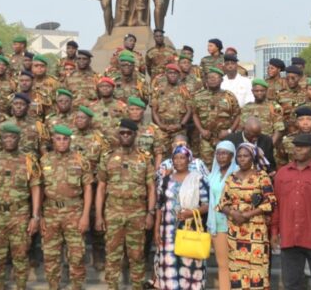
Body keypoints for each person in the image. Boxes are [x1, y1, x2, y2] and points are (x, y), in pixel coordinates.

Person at [0, 123, 42, 290]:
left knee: (21, 255)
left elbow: (35, 187)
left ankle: (21, 286)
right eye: (6, 137)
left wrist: (35, 216)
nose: (9, 140)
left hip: (19, 214)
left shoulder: (28, 160)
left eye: (12, 137)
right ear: (1, 139)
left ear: (18, 139)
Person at [95, 119, 156, 290]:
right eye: (122, 133)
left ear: (135, 135)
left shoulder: (144, 158)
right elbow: (100, 188)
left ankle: (137, 286)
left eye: (129, 133)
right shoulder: (108, 157)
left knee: (136, 255)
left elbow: (151, 188)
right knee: (113, 255)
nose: (125, 136)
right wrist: (99, 216)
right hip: (113, 212)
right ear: (118, 134)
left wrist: (150, 213)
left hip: (137, 213)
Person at [270, 133, 311, 290]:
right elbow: (276, 205)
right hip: (290, 236)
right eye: (296, 146)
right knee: (291, 283)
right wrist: (275, 232)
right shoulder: (282, 173)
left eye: (302, 147)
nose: (297, 150)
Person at [40, 125, 93, 290]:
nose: (62, 142)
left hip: (74, 213)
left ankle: (76, 286)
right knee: (50, 255)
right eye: (58, 138)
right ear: (53, 140)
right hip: (50, 212)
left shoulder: (80, 160)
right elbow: (39, 189)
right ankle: (53, 286)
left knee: (77, 255)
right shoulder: (44, 160)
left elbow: (88, 188)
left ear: (70, 140)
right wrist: (39, 215)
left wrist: (85, 216)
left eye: (65, 139)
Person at [217, 143, 276, 290]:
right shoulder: (231, 178)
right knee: (237, 271)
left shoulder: (262, 176)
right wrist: (232, 213)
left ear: (253, 157)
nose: (242, 159)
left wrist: (248, 214)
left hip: (255, 231)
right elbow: (222, 203)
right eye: (240, 156)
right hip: (235, 233)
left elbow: (271, 202)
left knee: (257, 271)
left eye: (246, 156)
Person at [153, 146, 210, 290]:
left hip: (189, 230)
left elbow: (207, 205)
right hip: (167, 231)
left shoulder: (198, 179)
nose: (178, 161)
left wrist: (191, 213)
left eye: (182, 158)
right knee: (168, 268)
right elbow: (159, 206)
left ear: (189, 160)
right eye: (175, 158)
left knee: (190, 269)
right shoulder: (165, 180)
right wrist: (156, 230)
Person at [207, 140, 237, 290]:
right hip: (217, 225)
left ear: (232, 156)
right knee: (223, 264)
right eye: (218, 153)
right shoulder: (213, 175)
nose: (221, 156)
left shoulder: (238, 173)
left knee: (238, 265)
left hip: (236, 224)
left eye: (225, 153)